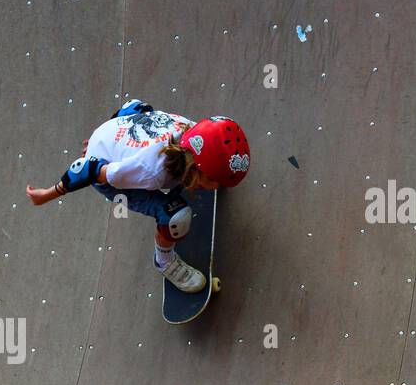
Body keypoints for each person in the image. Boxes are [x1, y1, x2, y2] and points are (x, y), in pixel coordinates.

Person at [26, 99, 250, 292]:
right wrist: (46, 194)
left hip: (120, 128)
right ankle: (164, 261)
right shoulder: (150, 170)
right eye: (215, 179)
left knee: (139, 108)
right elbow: (86, 170)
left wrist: (106, 134)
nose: (217, 186)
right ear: (197, 167)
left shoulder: (193, 131)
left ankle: (103, 142)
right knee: (175, 216)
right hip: (107, 172)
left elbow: (134, 106)